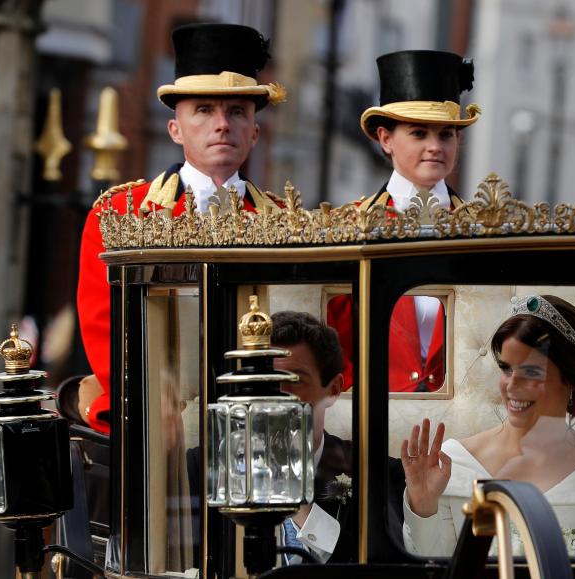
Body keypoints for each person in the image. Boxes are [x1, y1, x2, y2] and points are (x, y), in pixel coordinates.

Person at [71, 23, 287, 433]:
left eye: (237, 112)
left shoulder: (285, 219)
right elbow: (104, 330)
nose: (222, 124)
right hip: (152, 420)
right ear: (176, 128)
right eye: (204, 110)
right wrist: (154, 404)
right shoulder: (119, 213)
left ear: (255, 133)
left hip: (260, 422)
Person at [400, 295, 575, 557]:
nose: (511, 386)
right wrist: (423, 507)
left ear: (572, 378)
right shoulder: (451, 464)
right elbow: (431, 569)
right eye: (506, 369)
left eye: (531, 372)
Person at [328, 49, 480, 393]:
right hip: (370, 412)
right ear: (385, 139)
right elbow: (334, 337)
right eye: (418, 133)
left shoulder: (482, 229)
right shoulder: (348, 227)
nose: (435, 147)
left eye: (446, 135)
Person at [271, 311, 354, 563]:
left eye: (295, 380)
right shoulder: (204, 468)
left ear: (334, 389)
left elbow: (372, 565)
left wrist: (297, 505)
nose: (279, 397)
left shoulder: (366, 471)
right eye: (269, 380)